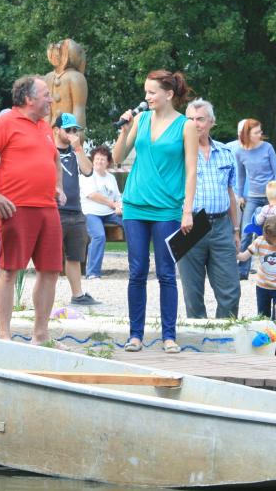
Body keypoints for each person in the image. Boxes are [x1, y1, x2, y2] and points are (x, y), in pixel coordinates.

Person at [112, 69, 197, 354]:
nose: (146, 97)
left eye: (152, 92)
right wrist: (124, 130)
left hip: (167, 208)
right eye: (146, 92)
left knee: (166, 273)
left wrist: (187, 211)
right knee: (137, 272)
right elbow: (117, 158)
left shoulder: (186, 126)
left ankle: (168, 336)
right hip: (135, 204)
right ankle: (135, 335)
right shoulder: (141, 119)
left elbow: (191, 171)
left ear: (168, 94)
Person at [0, 76, 65, 345]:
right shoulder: (4, 123)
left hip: (48, 208)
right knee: (10, 270)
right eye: (45, 95)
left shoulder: (44, 127)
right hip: (16, 208)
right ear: (29, 99)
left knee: (50, 271)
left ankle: (40, 334)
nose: (51, 99)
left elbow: (55, 159)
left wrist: (58, 186)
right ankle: (4, 335)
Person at [177, 98, 241, 320]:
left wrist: (236, 230)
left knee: (231, 290)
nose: (195, 124)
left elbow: (231, 193)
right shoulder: (178, 153)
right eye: (190, 119)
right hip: (189, 224)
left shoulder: (225, 152)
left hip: (221, 224)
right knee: (192, 293)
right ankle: (199, 337)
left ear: (211, 122)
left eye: (200, 119)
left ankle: (224, 334)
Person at [51, 112, 99, 306]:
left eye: (75, 130)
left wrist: (78, 148)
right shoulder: (48, 149)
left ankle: (77, 295)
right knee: (51, 257)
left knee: (75, 256)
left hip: (75, 210)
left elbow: (88, 171)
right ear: (56, 130)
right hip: (55, 211)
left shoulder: (75, 151)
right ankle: (48, 297)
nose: (73, 133)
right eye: (68, 129)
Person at [234, 119, 276, 279]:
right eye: (256, 132)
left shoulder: (267, 147)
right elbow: (241, 175)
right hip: (253, 197)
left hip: (271, 197)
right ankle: (242, 271)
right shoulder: (240, 152)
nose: (260, 134)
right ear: (247, 134)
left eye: (260, 131)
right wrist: (240, 195)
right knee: (246, 232)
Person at [237, 216, 276, 320]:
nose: (274, 243)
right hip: (262, 286)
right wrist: (234, 253)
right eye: (270, 240)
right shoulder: (260, 241)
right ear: (266, 235)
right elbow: (243, 257)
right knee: (262, 317)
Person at [79, 145, 123, 280]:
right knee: (99, 236)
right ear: (93, 160)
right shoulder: (87, 175)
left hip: (110, 213)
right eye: (97, 159)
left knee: (132, 223)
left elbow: (118, 197)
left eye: (103, 159)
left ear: (108, 162)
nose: (99, 161)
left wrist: (119, 206)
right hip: (91, 212)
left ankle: (138, 266)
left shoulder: (111, 178)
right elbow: (92, 195)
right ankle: (93, 273)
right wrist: (113, 204)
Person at [45, 39, 88, 131]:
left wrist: (75, 132)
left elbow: (78, 109)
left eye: (60, 49)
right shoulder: (49, 77)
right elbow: (46, 111)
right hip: (51, 131)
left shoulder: (76, 77)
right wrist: (44, 132)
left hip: (68, 131)